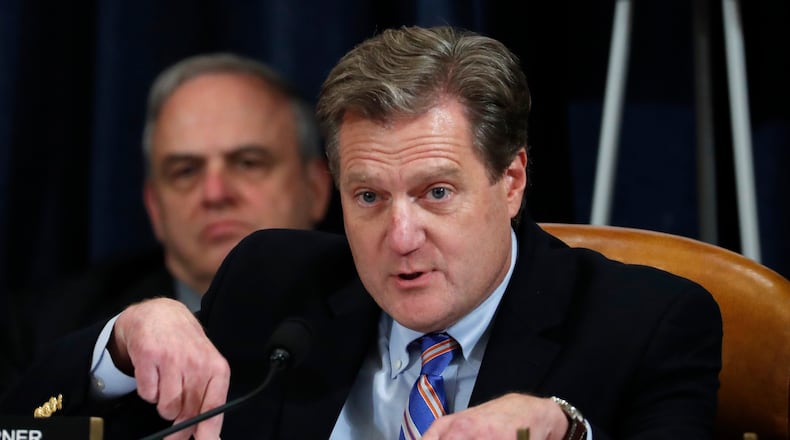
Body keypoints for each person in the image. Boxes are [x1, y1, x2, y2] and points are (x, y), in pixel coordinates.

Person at [0, 26, 722, 440]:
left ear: (511, 180)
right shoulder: (271, 283)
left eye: (436, 193)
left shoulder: (645, 322)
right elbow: (21, 424)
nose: (400, 237)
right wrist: (123, 346)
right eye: (369, 197)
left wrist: (566, 428)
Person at [0, 53, 333, 392]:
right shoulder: (42, 333)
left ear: (317, 188)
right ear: (154, 207)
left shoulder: (366, 314)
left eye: (248, 163)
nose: (215, 193)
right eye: (185, 171)